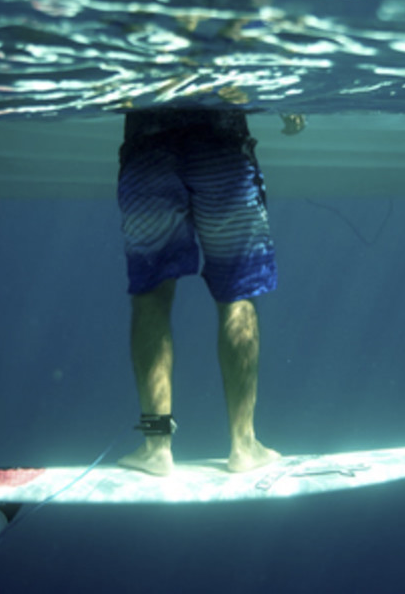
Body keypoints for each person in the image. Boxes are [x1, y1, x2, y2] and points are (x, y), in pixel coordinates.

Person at [115, 107, 291, 476]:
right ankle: (243, 445)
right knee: (237, 294)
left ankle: (156, 447)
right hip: (220, 145)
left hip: (149, 146)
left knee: (151, 296)